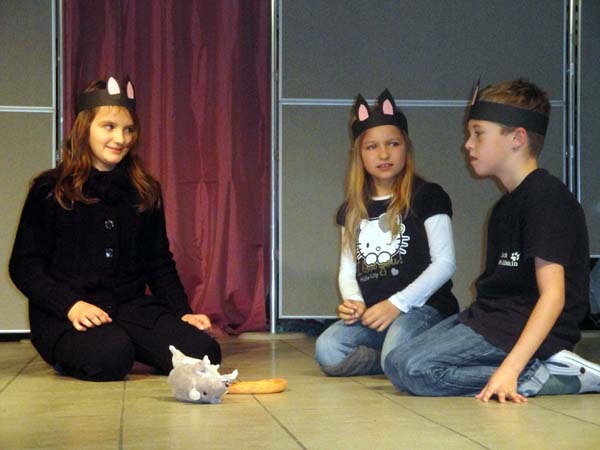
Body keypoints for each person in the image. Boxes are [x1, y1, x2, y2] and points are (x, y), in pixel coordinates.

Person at [384, 78, 600, 402]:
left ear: (517, 138)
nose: (468, 145)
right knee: (395, 363)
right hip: (491, 319)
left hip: (520, 326)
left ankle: (543, 374)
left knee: (415, 370)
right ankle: (534, 367)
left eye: (478, 133)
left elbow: (554, 296)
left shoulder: (547, 200)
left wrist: (511, 368)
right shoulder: (504, 206)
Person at [9, 77, 221, 381]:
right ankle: (92, 349)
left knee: (204, 352)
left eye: (128, 129)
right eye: (109, 127)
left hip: (129, 308)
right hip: (68, 313)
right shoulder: (50, 189)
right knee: (110, 356)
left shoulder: (145, 190)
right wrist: (70, 306)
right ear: (85, 129)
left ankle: (127, 341)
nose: (120, 138)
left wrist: (181, 312)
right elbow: (24, 267)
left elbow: (159, 262)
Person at [314, 89, 459, 377]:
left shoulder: (427, 196)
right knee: (327, 349)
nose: (383, 154)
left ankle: (397, 358)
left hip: (423, 309)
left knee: (398, 345)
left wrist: (397, 304)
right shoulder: (351, 209)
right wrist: (354, 301)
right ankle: (387, 363)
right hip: (375, 314)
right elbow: (348, 269)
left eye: (393, 144)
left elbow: (445, 264)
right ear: (359, 154)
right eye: (372, 147)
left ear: (406, 147)